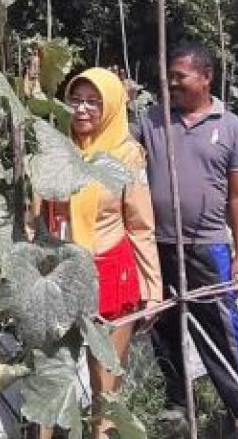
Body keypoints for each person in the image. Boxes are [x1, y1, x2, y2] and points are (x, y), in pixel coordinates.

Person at [131, 41, 238, 436]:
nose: (172, 84)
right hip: (158, 246)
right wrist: (120, 99)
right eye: (168, 77)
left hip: (207, 245)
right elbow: (115, 143)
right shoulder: (152, 119)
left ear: (206, 77)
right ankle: (178, 402)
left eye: (180, 77)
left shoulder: (231, 126)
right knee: (165, 329)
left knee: (222, 328)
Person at [36, 67, 162, 439]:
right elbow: (35, 218)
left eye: (93, 102)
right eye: (76, 99)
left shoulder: (126, 155)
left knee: (104, 388)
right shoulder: (54, 150)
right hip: (59, 275)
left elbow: (141, 226)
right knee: (49, 378)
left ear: (109, 108)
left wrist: (152, 288)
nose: (82, 110)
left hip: (110, 273)